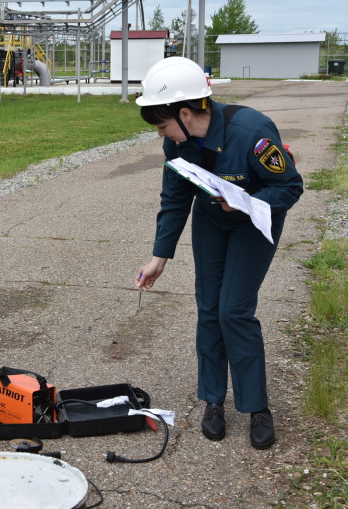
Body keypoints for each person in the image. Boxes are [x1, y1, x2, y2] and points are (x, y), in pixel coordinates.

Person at [134, 57, 303, 450]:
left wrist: (248, 201)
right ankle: (213, 400)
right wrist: (159, 256)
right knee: (209, 308)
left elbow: (290, 188)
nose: (163, 135)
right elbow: (175, 197)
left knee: (234, 311)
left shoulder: (253, 133)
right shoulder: (176, 141)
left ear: (186, 113)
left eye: (163, 125)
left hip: (255, 222)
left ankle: (257, 407)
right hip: (212, 221)